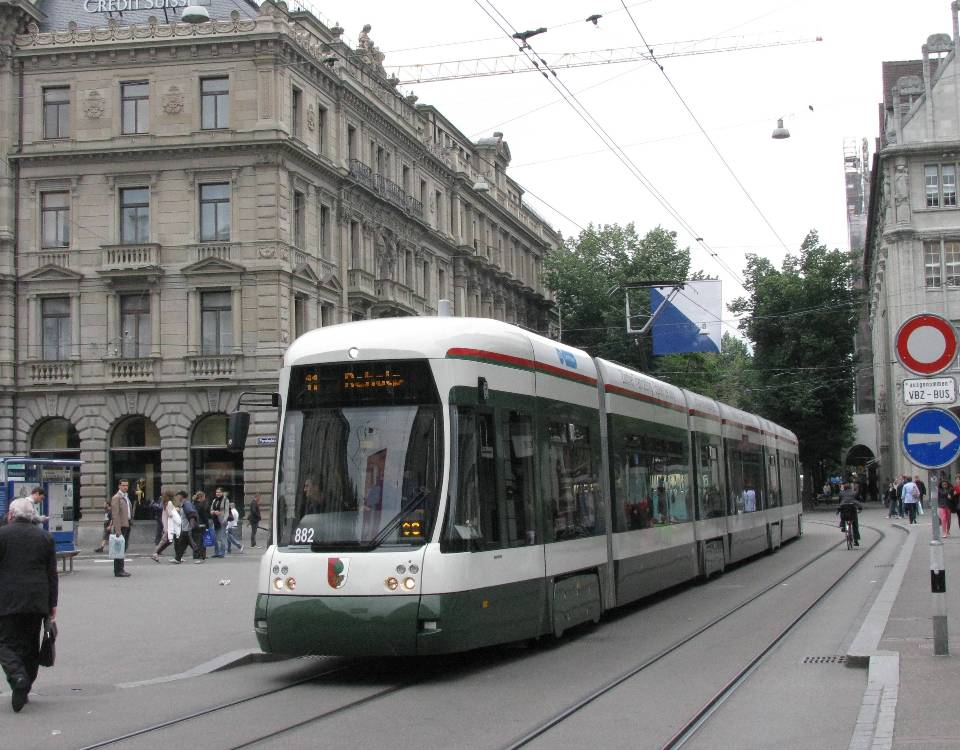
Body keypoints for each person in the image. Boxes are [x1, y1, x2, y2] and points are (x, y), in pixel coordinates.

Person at [0, 498, 58, 712]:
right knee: (30, 645)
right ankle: (22, 687)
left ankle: (17, 676)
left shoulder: (2, 535)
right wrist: (52, 604)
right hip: (37, 601)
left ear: (11, 515)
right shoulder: (45, 537)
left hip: (7, 600)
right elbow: (52, 574)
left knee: (5, 643)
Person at [109, 479, 132, 577]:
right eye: (123, 485)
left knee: (123, 548)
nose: (125, 487)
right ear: (119, 486)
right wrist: (117, 530)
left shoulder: (125, 497)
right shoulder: (116, 497)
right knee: (120, 549)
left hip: (127, 524)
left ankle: (120, 569)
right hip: (121, 526)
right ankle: (119, 570)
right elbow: (115, 515)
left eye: (127, 485)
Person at [151, 489, 177, 562]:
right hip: (169, 526)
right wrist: (176, 511)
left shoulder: (165, 503)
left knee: (165, 541)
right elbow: (170, 514)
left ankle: (155, 554)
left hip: (166, 526)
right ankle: (155, 553)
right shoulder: (169, 503)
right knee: (164, 541)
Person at [172, 491, 197, 564]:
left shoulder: (187, 504)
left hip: (187, 528)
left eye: (178, 496)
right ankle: (178, 558)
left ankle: (200, 556)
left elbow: (191, 514)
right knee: (182, 544)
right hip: (184, 528)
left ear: (181, 496)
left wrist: (191, 526)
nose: (176, 498)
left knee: (191, 543)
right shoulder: (184, 504)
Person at [210, 487, 227, 559]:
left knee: (222, 538)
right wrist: (213, 512)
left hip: (222, 521)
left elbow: (227, 511)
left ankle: (222, 553)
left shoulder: (225, 500)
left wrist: (221, 514)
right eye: (217, 492)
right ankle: (216, 553)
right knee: (216, 538)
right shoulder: (214, 500)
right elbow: (211, 510)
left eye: (219, 492)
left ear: (222, 493)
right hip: (215, 521)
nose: (218, 493)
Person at [193, 491, 210, 563]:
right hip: (202, 524)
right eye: (204, 497)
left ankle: (196, 554)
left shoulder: (193, 504)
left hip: (195, 524)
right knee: (202, 540)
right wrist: (207, 525)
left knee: (196, 540)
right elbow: (204, 516)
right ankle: (202, 554)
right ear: (201, 497)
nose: (204, 498)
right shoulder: (201, 505)